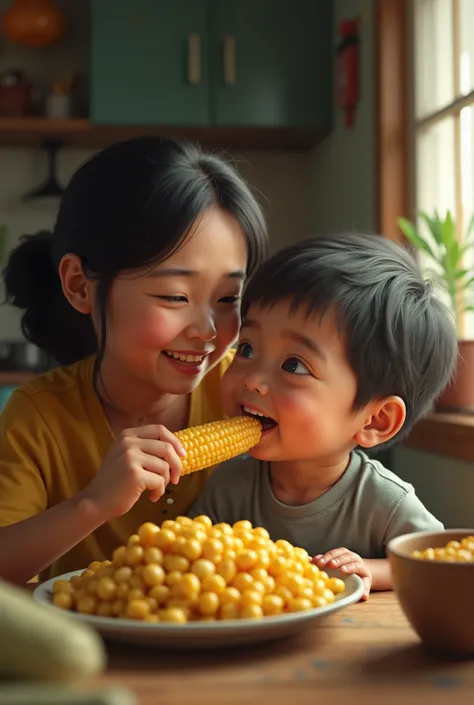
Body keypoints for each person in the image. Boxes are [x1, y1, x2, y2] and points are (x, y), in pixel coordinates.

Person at [0, 136, 267, 584]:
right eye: (174, 296)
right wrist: (94, 503)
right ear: (80, 286)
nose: (207, 329)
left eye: (228, 298)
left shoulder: (249, 392)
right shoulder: (38, 418)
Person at [189, 233, 457, 600]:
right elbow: (187, 559)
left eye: (294, 365)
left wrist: (371, 569)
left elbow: (438, 564)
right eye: (247, 348)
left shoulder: (384, 502)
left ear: (375, 420)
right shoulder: (230, 486)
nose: (252, 379)